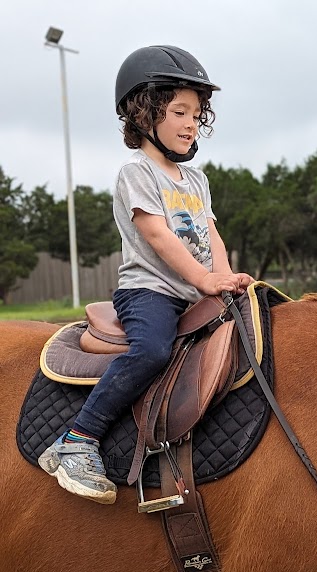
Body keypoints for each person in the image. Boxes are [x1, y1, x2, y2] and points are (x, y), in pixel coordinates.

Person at [38, 45, 254, 504]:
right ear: (143, 116)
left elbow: (210, 235)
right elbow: (160, 238)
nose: (191, 122)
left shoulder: (197, 181)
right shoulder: (135, 173)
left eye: (197, 114)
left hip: (195, 290)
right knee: (153, 350)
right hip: (150, 292)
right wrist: (204, 280)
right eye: (179, 111)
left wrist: (226, 277)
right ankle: (79, 437)